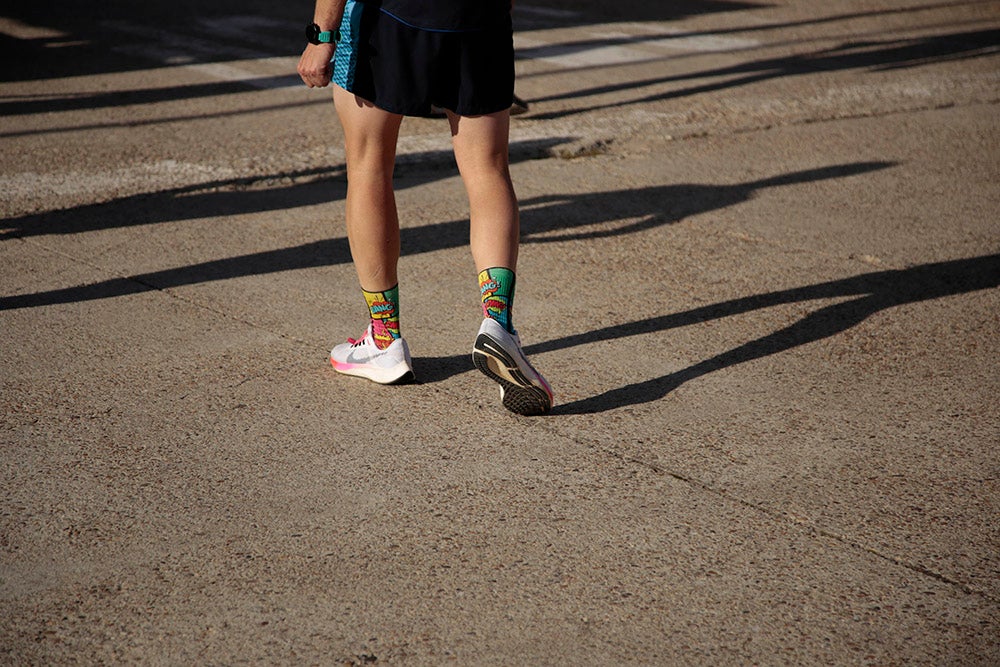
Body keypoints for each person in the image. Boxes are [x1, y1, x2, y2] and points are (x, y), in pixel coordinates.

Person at [297, 0, 553, 415]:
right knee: (488, 170)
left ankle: (384, 339)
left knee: (369, 166)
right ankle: (498, 323)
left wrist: (322, 34)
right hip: (478, 20)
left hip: (389, 17)